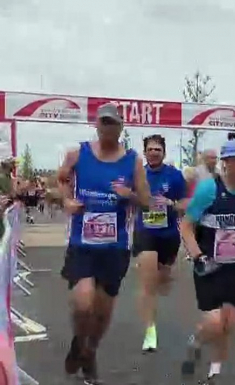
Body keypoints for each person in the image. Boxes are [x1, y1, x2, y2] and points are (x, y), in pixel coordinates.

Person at [58, 103, 150, 384]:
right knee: (83, 304)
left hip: (115, 247)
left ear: (120, 128)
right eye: (103, 123)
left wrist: (129, 194)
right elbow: (61, 178)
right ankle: (79, 341)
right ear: (96, 125)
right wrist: (66, 200)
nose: (107, 128)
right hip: (82, 244)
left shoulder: (132, 160)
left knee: (102, 311)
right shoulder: (78, 154)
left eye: (113, 124)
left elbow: (146, 202)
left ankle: (90, 351)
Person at [179, 138, 235, 385]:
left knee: (228, 323)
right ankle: (196, 341)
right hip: (209, 265)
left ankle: (213, 374)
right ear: (226, 162)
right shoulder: (209, 189)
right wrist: (197, 256)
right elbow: (186, 226)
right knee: (214, 322)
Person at [132, 134, 188, 352]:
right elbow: (128, 197)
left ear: (164, 152)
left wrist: (172, 203)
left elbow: (185, 203)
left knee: (162, 281)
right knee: (148, 284)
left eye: (158, 149)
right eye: (150, 149)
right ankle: (150, 330)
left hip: (168, 236)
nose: (154, 152)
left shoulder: (174, 176)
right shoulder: (138, 175)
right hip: (145, 232)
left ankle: (165, 274)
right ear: (144, 152)